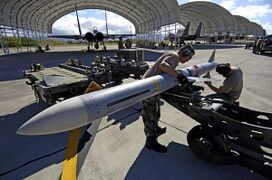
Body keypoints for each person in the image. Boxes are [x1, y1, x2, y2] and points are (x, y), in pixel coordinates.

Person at [141, 44, 195, 153]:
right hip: (149, 89)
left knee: (155, 111)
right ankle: (150, 141)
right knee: (150, 114)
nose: (188, 60)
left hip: (153, 88)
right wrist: (179, 77)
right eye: (189, 57)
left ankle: (155, 129)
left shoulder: (172, 55)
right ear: (185, 54)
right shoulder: (175, 56)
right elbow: (163, 66)